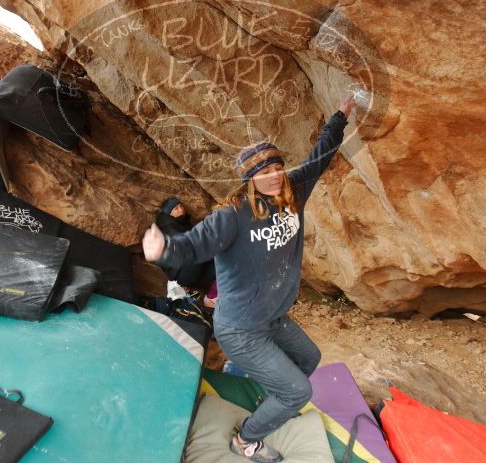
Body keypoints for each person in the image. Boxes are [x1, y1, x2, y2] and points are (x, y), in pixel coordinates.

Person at [144, 95, 356, 462]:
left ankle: (268, 399)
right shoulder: (232, 216)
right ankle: (246, 439)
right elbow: (193, 246)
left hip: (273, 317)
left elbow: (320, 157)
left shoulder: (292, 191)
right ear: (249, 179)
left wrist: (339, 118)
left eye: (276, 167)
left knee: (310, 358)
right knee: (297, 392)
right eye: (263, 172)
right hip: (240, 328)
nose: (273, 176)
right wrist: (163, 249)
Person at [155, 197, 217, 298]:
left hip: (189, 270)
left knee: (219, 266)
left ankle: (211, 298)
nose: (181, 209)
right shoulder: (168, 227)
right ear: (169, 213)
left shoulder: (181, 223)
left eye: (181, 206)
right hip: (181, 271)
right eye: (176, 208)